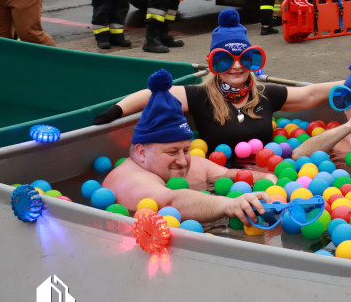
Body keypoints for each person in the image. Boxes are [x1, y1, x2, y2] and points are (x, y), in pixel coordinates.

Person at [94, 9, 343, 153]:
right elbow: (153, 94)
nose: (236, 66)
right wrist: (113, 112)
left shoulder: (264, 94)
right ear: (212, 62)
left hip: (271, 177)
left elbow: (310, 94)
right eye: (225, 60)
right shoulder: (201, 96)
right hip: (221, 181)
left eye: (244, 58)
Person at [101, 68, 275, 223]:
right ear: (141, 152)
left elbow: (235, 174)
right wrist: (230, 205)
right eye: (171, 152)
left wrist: (270, 182)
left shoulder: (194, 165)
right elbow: (170, 201)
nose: (183, 161)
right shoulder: (129, 179)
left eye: (186, 150)